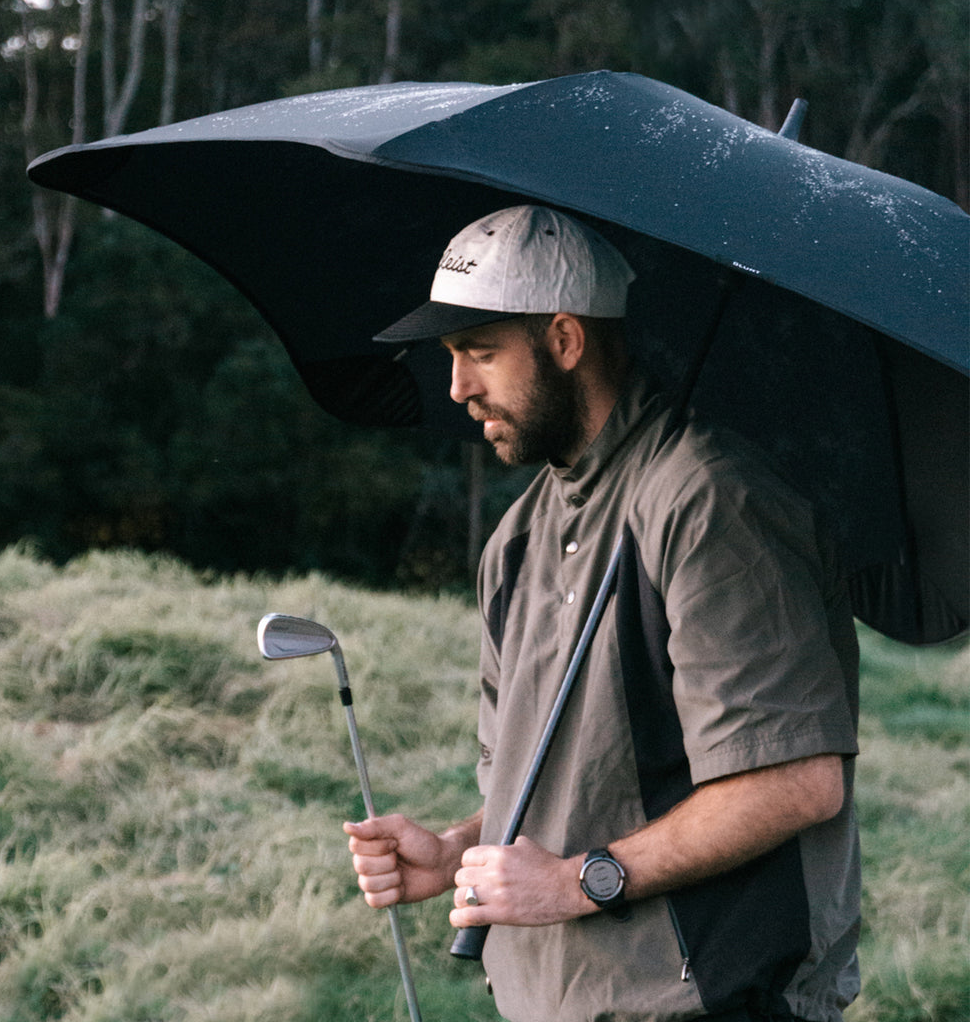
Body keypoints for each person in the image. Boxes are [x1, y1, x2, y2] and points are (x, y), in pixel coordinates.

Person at [343, 205, 861, 1022]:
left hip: (706, 999)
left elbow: (794, 781)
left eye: (480, 352)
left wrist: (582, 880)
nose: (457, 388)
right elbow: (566, 782)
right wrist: (451, 854)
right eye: (451, 357)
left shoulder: (709, 502)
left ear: (565, 340)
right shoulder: (516, 543)